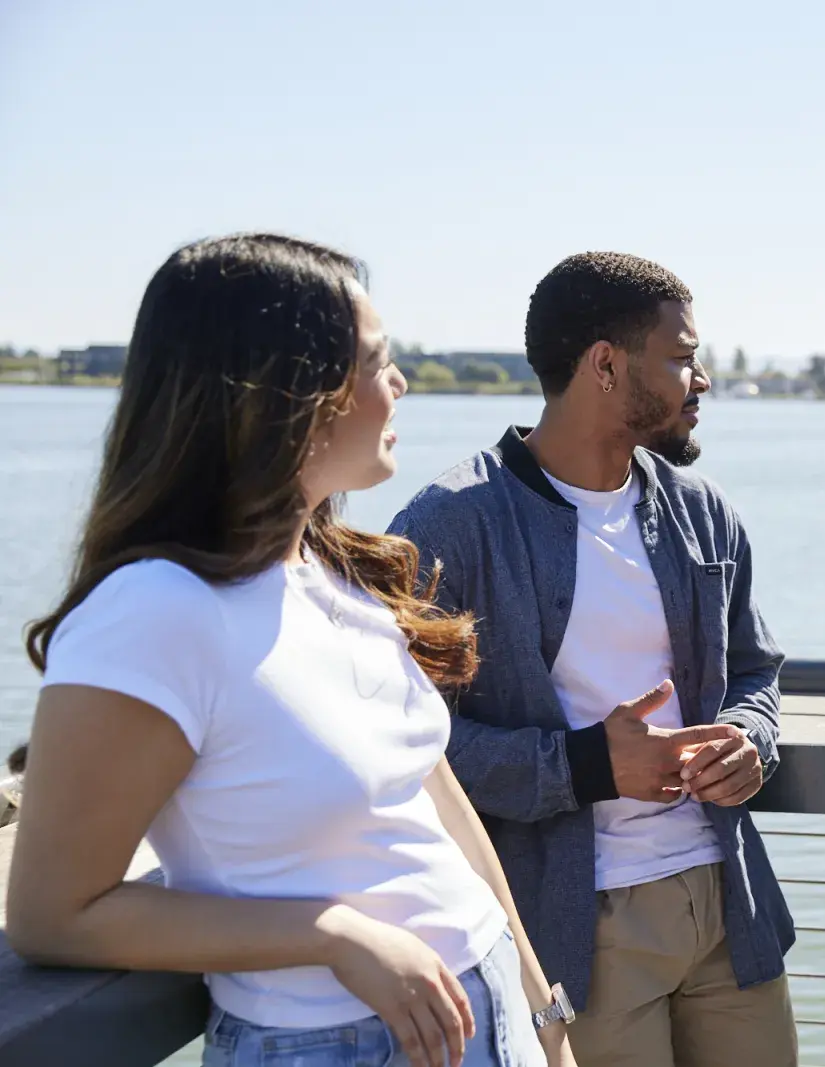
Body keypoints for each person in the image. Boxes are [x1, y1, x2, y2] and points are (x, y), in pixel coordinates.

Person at [10, 234, 576, 1067]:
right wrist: (333, 933)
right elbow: (53, 913)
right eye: (380, 361)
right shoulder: (153, 612)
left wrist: (542, 1013)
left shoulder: (329, 571)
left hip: (488, 1017)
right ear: (296, 393)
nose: (401, 383)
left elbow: (436, 803)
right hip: (337, 1043)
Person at [387, 252, 798, 1067]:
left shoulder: (703, 511)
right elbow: (403, 747)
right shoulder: (450, 525)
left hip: (731, 909)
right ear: (605, 365)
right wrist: (585, 766)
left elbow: (756, 668)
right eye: (681, 357)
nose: (702, 379)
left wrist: (751, 738)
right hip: (574, 927)